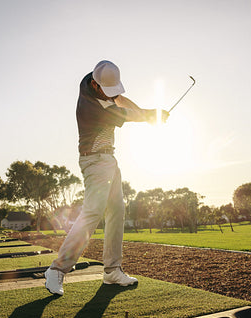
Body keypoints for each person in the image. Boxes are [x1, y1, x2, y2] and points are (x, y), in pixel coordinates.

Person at [45, 60, 169, 296]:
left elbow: (121, 101)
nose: (112, 95)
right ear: (95, 84)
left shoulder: (95, 84)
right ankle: (57, 270)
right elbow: (125, 114)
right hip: (94, 162)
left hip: (109, 160)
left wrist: (146, 113)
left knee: (117, 211)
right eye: (108, 92)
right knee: (92, 212)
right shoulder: (93, 108)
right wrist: (151, 115)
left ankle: (112, 271)